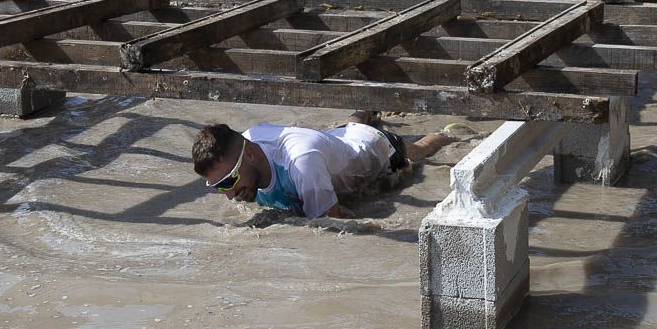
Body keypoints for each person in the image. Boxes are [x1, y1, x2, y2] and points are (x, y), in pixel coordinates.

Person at [192, 111, 458, 218]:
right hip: (333, 141)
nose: (229, 195)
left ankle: (449, 133)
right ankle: (361, 113)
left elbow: (333, 225)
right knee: (342, 131)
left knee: (421, 151)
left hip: (377, 148)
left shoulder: (301, 164)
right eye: (217, 186)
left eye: (229, 181)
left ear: (250, 155)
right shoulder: (242, 146)